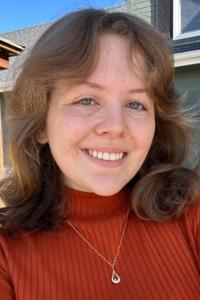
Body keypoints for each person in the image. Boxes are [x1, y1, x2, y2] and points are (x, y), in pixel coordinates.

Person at [0, 8, 200, 300]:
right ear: (42, 122)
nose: (115, 127)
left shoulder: (190, 213)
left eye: (135, 104)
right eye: (87, 99)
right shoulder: (7, 253)